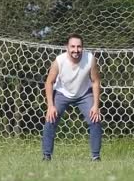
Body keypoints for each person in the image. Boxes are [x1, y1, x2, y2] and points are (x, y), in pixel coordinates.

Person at [42, 33, 102, 161]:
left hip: (84, 94)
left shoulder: (90, 59)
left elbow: (95, 81)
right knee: (50, 119)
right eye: (73, 46)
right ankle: (47, 156)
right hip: (62, 93)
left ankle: (96, 157)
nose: (76, 50)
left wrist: (96, 106)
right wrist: (50, 106)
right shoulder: (59, 61)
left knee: (95, 120)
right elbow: (49, 82)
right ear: (67, 47)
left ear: (83, 48)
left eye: (79, 47)